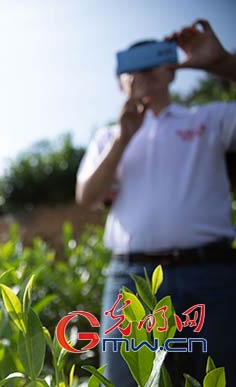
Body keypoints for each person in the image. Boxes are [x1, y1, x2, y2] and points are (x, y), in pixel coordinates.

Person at [76, 19, 236, 386]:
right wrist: (123, 138)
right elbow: (87, 196)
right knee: (123, 379)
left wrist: (221, 62)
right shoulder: (106, 138)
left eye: (151, 61)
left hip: (211, 274)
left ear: (172, 69)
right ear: (119, 81)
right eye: (131, 66)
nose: (142, 72)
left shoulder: (209, 119)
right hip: (131, 279)